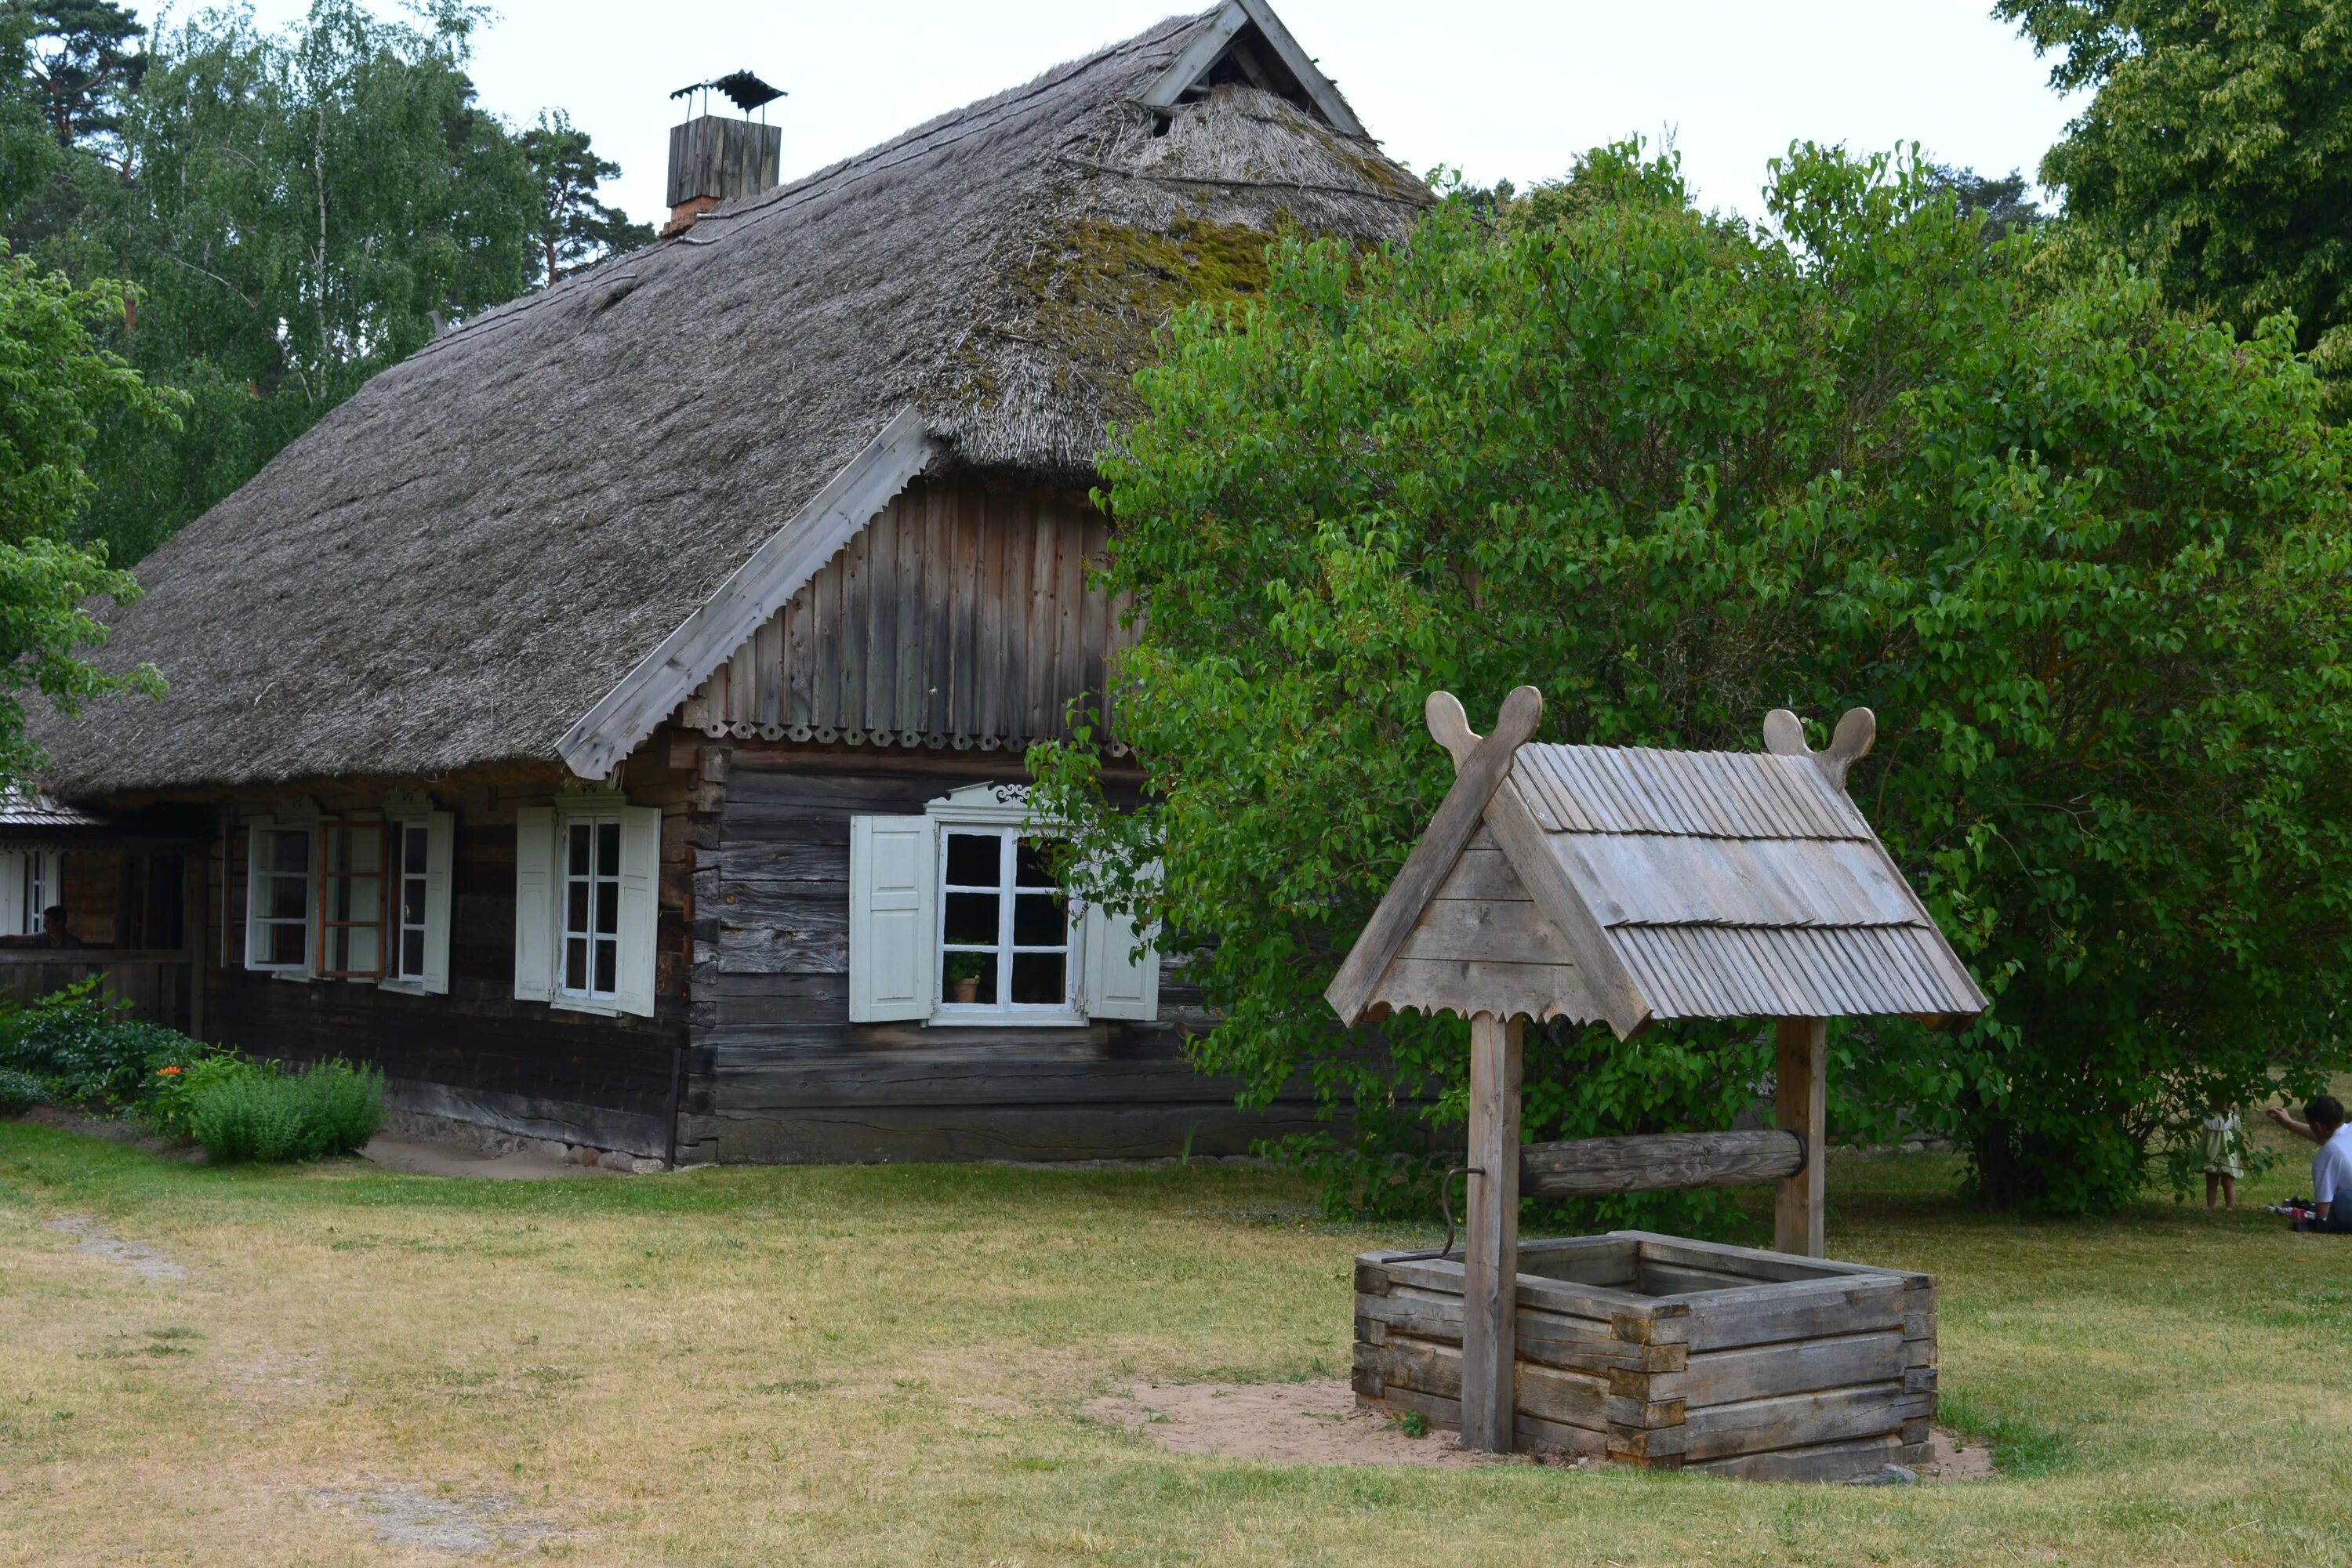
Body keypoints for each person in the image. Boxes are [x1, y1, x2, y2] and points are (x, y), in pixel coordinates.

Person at [2267, 1094, 2352, 1234]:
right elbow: (2327, 1138)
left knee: (2340, 1201)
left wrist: (2317, 1223)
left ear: (2317, 1126)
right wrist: (2289, 1123)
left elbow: (2322, 1213)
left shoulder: (2328, 1153)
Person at [2199, 1094, 2245, 1210]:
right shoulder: (2208, 1118)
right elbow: (2204, 1139)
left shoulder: (2234, 1119)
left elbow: (2238, 1139)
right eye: (2220, 1100)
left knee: (2228, 1183)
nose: (2224, 1103)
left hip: (2228, 1157)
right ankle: (2211, 1206)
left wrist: (2244, 1157)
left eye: (2227, 1101)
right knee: (2211, 1183)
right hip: (2211, 1155)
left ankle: (2230, 1207)